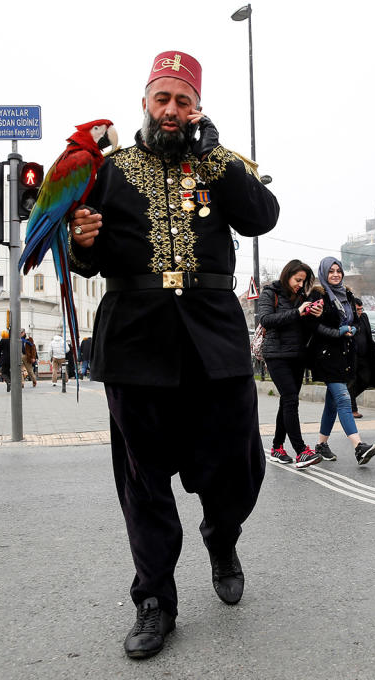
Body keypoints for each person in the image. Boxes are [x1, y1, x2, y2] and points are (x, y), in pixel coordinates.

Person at [67, 49, 279, 659]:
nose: (172, 110)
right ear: (144, 103)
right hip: (135, 342)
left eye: (183, 101)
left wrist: (213, 154)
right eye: (163, 98)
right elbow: (87, 252)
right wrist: (81, 246)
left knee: (237, 468)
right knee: (143, 482)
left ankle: (221, 532)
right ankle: (155, 600)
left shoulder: (219, 164)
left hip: (215, 339)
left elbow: (262, 216)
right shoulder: (110, 169)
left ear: (196, 108)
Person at [306, 257, 375, 465]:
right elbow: (313, 325)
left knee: (332, 403)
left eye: (338, 270)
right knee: (344, 399)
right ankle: (359, 447)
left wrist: (353, 327)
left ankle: (321, 444)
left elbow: (353, 318)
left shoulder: (347, 294)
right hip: (326, 355)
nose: (336, 274)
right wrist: (338, 332)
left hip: (346, 354)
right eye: (331, 271)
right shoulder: (317, 295)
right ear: (324, 274)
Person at [256, 259, 322, 469]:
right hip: (276, 354)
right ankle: (301, 451)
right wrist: (296, 312)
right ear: (287, 275)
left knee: (287, 401)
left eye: (304, 281)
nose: (300, 285)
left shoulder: (302, 297)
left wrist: (314, 315)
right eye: (297, 280)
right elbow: (266, 319)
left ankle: (277, 447)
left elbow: (305, 327)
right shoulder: (271, 293)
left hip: (297, 355)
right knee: (291, 399)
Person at [348, 297, 375, 419]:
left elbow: (368, 336)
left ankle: (346, 401)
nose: (360, 311)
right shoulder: (347, 318)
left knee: (366, 380)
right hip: (351, 356)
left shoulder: (364, 317)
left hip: (364, 355)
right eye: (357, 309)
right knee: (352, 382)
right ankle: (352, 409)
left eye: (361, 309)